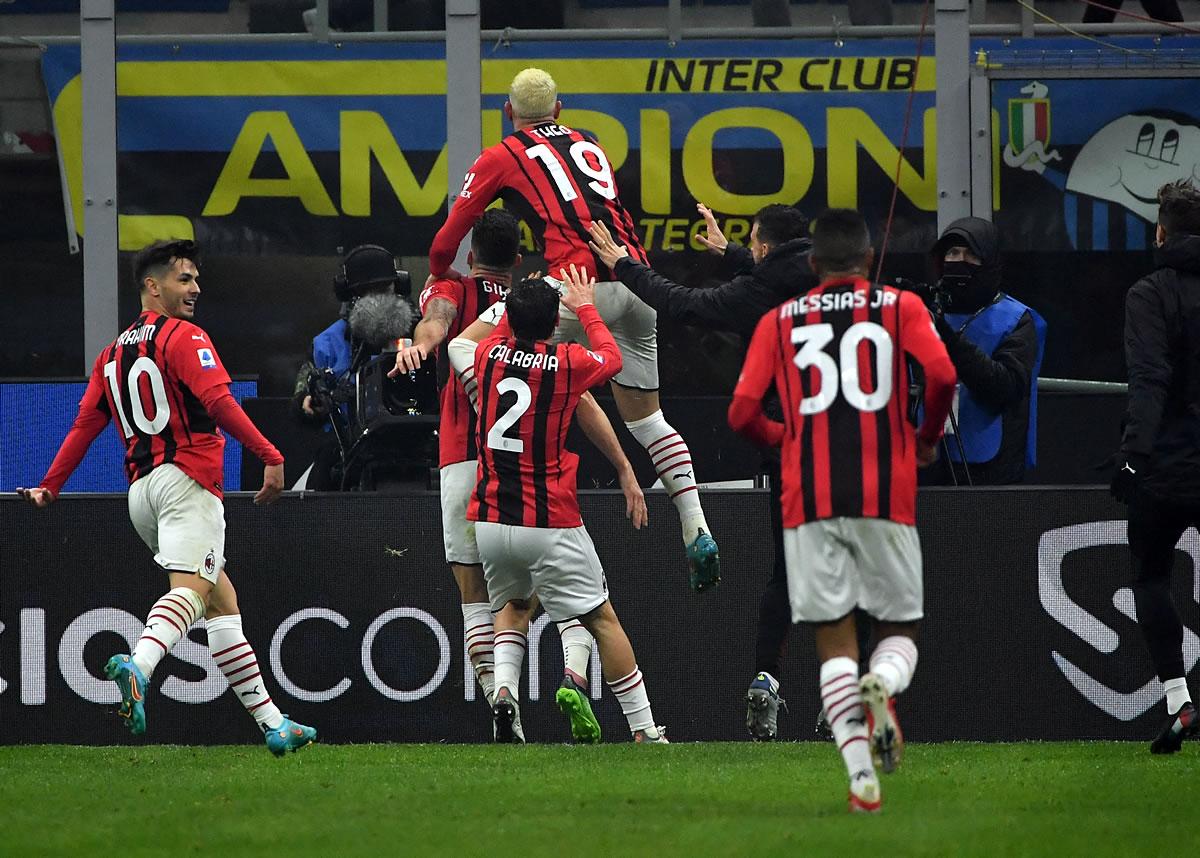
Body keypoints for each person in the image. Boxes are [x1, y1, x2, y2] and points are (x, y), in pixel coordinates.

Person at [17, 239, 316, 755]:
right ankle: (140, 664)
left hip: (142, 494)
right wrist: (270, 453)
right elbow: (219, 401)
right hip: (187, 482)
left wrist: (52, 483)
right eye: (184, 279)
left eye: (197, 279)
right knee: (194, 591)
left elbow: (86, 425)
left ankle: (273, 724)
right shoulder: (184, 337)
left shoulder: (111, 354)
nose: (195, 288)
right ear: (152, 287)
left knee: (222, 603)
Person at [427, 66, 720, 591]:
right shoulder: (591, 142)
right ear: (559, 110)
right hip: (636, 282)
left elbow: (448, 237)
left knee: (475, 348)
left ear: (507, 113)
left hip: (573, 284)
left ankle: (505, 477)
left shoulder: (503, 153)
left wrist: (438, 271)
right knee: (648, 420)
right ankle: (695, 524)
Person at [728, 209, 956, 812]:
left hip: (811, 498)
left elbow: (742, 413)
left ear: (811, 265)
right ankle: (883, 683)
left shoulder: (780, 321)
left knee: (833, 644)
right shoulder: (900, 308)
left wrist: (790, 440)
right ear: (867, 258)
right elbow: (941, 373)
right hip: (887, 493)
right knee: (898, 629)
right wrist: (925, 435)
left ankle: (861, 780)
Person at [392, 209, 645, 742]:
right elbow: (592, 394)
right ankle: (604, 699)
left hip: (468, 467)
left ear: (470, 255)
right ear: (522, 262)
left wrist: (425, 347)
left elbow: (439, 325)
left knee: (481, 598)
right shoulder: (559, 350)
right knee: (573, 596)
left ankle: (502, 708)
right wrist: (624, 466)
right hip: (534, 480)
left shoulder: (462, 309)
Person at [588, 203, 815, 740]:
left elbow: (683, 304)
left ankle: (768, 678)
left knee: (790, 573)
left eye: (752, 243)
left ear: (764, 247)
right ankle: (855, 691)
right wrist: (735, 256)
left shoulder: (757, 294)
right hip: (860, 446)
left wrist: (622, 265)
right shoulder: (833, 275)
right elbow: (770, 279)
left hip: (797, 447)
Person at [448, 266, 665, 744]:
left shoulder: (483, 356)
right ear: (554, 323)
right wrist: (585, 304)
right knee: (600, 617)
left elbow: (464, 341)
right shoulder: (567, 362)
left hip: (490, 520)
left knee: (510, 605)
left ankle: (504, 692)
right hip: (546, 518)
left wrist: (514, 303)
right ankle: (646, 731)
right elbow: (611, 359)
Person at [1110, 178, 1200, 754]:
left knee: (1150, 576)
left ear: (1160, 232)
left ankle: (1178, 699)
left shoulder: (1149, 292)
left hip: (1167, 462)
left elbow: (1151, 380)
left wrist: (1133, 454)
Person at [924, 217, 1046, 486]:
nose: (960, 260)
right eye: (952, 253)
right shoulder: (924, 314)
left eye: (971, 254)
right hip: (928, 459)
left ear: (989, 261)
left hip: (990, 467)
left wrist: (946, 337)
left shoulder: (1015, 319)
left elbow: (1006, 387)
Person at [292, 243, 417, 490]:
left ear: (398, 286)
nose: (379, 302)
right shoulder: (326, 343)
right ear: (349, 296)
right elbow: (302, 396)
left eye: (385, 289)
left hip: (414, 444)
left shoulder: (422, 333)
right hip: (347, 451)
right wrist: (310, 404)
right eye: (369, 293)